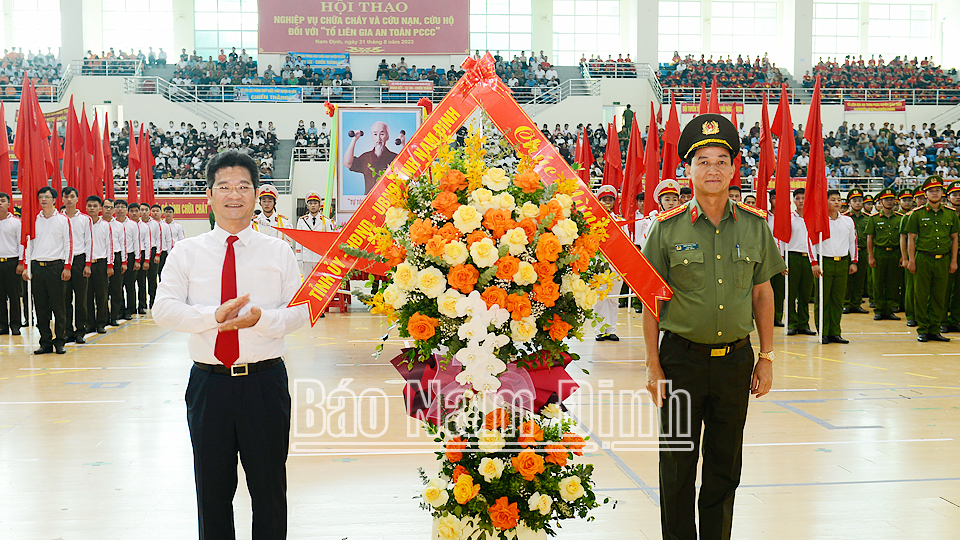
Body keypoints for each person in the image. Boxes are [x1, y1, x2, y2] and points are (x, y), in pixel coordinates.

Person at [153, 150, 307, 540]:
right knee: (212, 491)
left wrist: (264, 320)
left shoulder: (279, 251)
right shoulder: (187, 252)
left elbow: (303, 311)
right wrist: (213, 317)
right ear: (209, 195)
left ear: (257, 195)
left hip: (264, 384)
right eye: (224, 186)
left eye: (243, 186)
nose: (233, 194)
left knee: (269, 489)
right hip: (210, 385)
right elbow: (164, 310)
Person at [642, 113, 782, 540]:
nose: (713, 169)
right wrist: (653, 365)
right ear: (688, 169)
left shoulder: (756, 226)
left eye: (722, 160)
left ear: (734, 167)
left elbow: (763, 294)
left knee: (725, 465)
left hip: (735, 363)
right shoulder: (665, 230)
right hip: (680, 360)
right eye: (703, 161)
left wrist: (767, 356)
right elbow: (651, 301)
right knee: (678, 464)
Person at [904, 176, 959, 341]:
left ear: (942, 193)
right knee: (921, 295)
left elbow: (955, 238)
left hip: (943, 259)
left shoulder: (950, 215)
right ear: (925, 194)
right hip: (923, 258)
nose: (934, 193)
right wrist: (911, 260)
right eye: (931, 191)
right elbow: (911, 239)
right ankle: (923, 329)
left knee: (939, 295)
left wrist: (953, 260)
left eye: (937, 190)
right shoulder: (917, 214)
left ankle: (935, 329)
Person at [26, 186, 74, 354]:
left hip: (56, 268)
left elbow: (69, 244)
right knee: (41, 307)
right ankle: (45, 341)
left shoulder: (62, 219)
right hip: (38, 268)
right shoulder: (34, 220)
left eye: (47, 196)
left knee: (59, 307)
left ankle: (60, 340)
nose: (43, 199)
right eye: (40, 197)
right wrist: (27, 267)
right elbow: (28, 245)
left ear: (54, 200)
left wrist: (67, 267)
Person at [811, 190, 858, 344]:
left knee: (838, 300)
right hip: (825, 262)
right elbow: (810, 242)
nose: (837, 202)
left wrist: (854, 261)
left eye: (839, 199)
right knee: (823, 299)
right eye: (833, 200)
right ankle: (823, 332)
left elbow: (853, 242)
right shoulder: (819, 221)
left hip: (842, 262)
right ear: (825, 202)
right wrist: (814, 263)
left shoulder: (848, 221)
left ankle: (835, 332)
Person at [61, 187, 93, 343]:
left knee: (81, 298)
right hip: (62, 262)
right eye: (66, 197)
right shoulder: (59, 218)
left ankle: (80, 330)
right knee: (64, 299)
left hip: (79, 261)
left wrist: (87, 264)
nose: (69, 199)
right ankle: (67, 331)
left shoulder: (85, 219)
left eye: (72, 196)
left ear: (77, 199)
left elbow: (89, 242)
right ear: (62, 199)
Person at [866, 188, 903, 321]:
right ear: (880, 202)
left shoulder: (900, 218)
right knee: (878, 283)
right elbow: (870, 238)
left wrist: (902, 256)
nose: (889, 201)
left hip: (895, 253)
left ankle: (889, 310)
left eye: (891, 199)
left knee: (893, 283)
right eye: (886, 199)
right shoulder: (874, 219)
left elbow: (902, 238)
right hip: (879, 253)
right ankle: (879, 309)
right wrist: (870, 256)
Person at [594, 185, 623, 341]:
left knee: (613, 298)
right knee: (599, 298)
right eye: (604, 199)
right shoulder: (593, 220)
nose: (607, 202)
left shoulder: (620, 220)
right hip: (598, 262)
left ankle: (611, 329)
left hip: (615, 263)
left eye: (610, 200)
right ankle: (599, 330)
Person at [786, 189, 817, 336]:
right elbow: (781, 239)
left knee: (805, 293)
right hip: (793, 257)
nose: (801, 201)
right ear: (793, 200)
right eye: (797, 198)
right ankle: (792, 323)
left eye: (803, 198)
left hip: (809, 259)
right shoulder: (789, 218)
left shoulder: (813, 218)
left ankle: (804, 323)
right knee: (791, 292)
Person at [343, 121, 398, 193]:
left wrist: (403, 144)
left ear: (387, 137)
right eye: (375, 134)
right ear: (372, 137)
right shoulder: (365, 158)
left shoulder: (395, 158)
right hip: (369, 202)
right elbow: (347, 163)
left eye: (382, 134)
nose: (378, 138)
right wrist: (354, 139)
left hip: (389, 201)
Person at [86, 196, 113, 333]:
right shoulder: (83, 223)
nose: (92, 208)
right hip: (86, 264)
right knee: (87, 295)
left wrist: (110, 265)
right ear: (86, 207)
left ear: (100, 208)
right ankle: (90, 323)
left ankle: (101, 322)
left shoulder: (105, 225)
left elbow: (109, 246)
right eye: (89, 206)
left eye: (95, 206)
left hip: (101, 263)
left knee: (101, 294)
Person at [842, 188, 870, 314]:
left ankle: (857, 303)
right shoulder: (844, 218)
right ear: (849, 203)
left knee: (860, 279)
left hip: (863, 251)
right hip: (847, 252)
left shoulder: (868, 218)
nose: (857, 203)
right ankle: (846, 303)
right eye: (854, 201)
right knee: (847, 279)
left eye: (859, 200)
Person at [295, 191, 335, 277]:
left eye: (315, 203)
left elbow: (329, 241)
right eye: (310, 203)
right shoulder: (302, 221)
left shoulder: (326, 221)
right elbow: (299, 240)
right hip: (306, 257)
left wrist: (329, 258)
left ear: (319, 205)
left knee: (319, 282)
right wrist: (299, 257)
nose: (313, 205)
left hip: (320, 257)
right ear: (307, 206)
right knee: (306, 281)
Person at [0, 191, 24, 335]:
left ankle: (15, 325)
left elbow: (21, 244)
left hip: (12, 262)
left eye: (2, 201)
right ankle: (2, 325)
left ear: (9, 204)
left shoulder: (16, 222)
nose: (0, 203)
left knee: (14, 296)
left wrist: (21, 262)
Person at [101, 199, 127, 326]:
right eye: (106, 207)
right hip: (101, 258)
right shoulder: (95, 223)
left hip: (116, 257)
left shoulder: (119, 225)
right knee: (102, 290)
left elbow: (123, 244)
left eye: (111, 207)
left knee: (116, 289)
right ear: (102, 208)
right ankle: (103, 317)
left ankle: (114, 316)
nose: (108, 210)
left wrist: (123, 261)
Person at [115, 200, 141, 320]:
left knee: (130, 285)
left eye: (122, 207)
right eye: (117, 207)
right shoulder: (112, 223)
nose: (120, 209)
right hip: (117, 257)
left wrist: (137, 259)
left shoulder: (132, 224)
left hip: (130, 257)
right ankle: (120, 310)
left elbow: (137, 242)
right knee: (117, 286)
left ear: (126, 210)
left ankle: (130, 309)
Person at [766, 189, 786, 327]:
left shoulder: (786, 217)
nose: (776, 201)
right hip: (766, 257)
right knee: (765, 288)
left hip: (781, 257)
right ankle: (764, 315)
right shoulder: (763, 216)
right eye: (773, 198)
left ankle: (777, 316)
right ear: (769, 200)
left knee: (779, 289)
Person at [944, 180, 960, 333]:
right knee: (943, 290)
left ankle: (955, 319)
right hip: (945, 256)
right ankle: (941, 320)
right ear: (948, 197)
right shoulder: (944, 214)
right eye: (954, 194)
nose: (958, 197)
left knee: (958, 292)